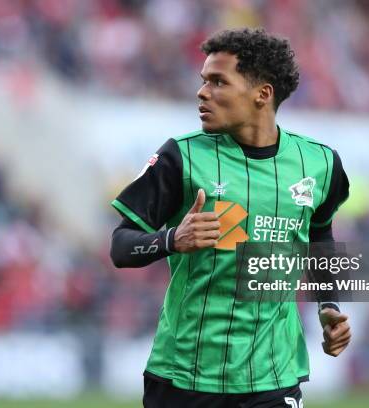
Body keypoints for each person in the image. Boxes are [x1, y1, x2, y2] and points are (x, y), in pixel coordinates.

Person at [110, 28, 351, 408]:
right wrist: (172, 239)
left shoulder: (320, 164)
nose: (202, 92)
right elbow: (120, 247)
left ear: (262, 94)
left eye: (218, 82)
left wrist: (329, 305)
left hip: (273, 378)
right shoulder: (180, 158)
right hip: (184, 377)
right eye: (203, 81)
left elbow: (320, 236)